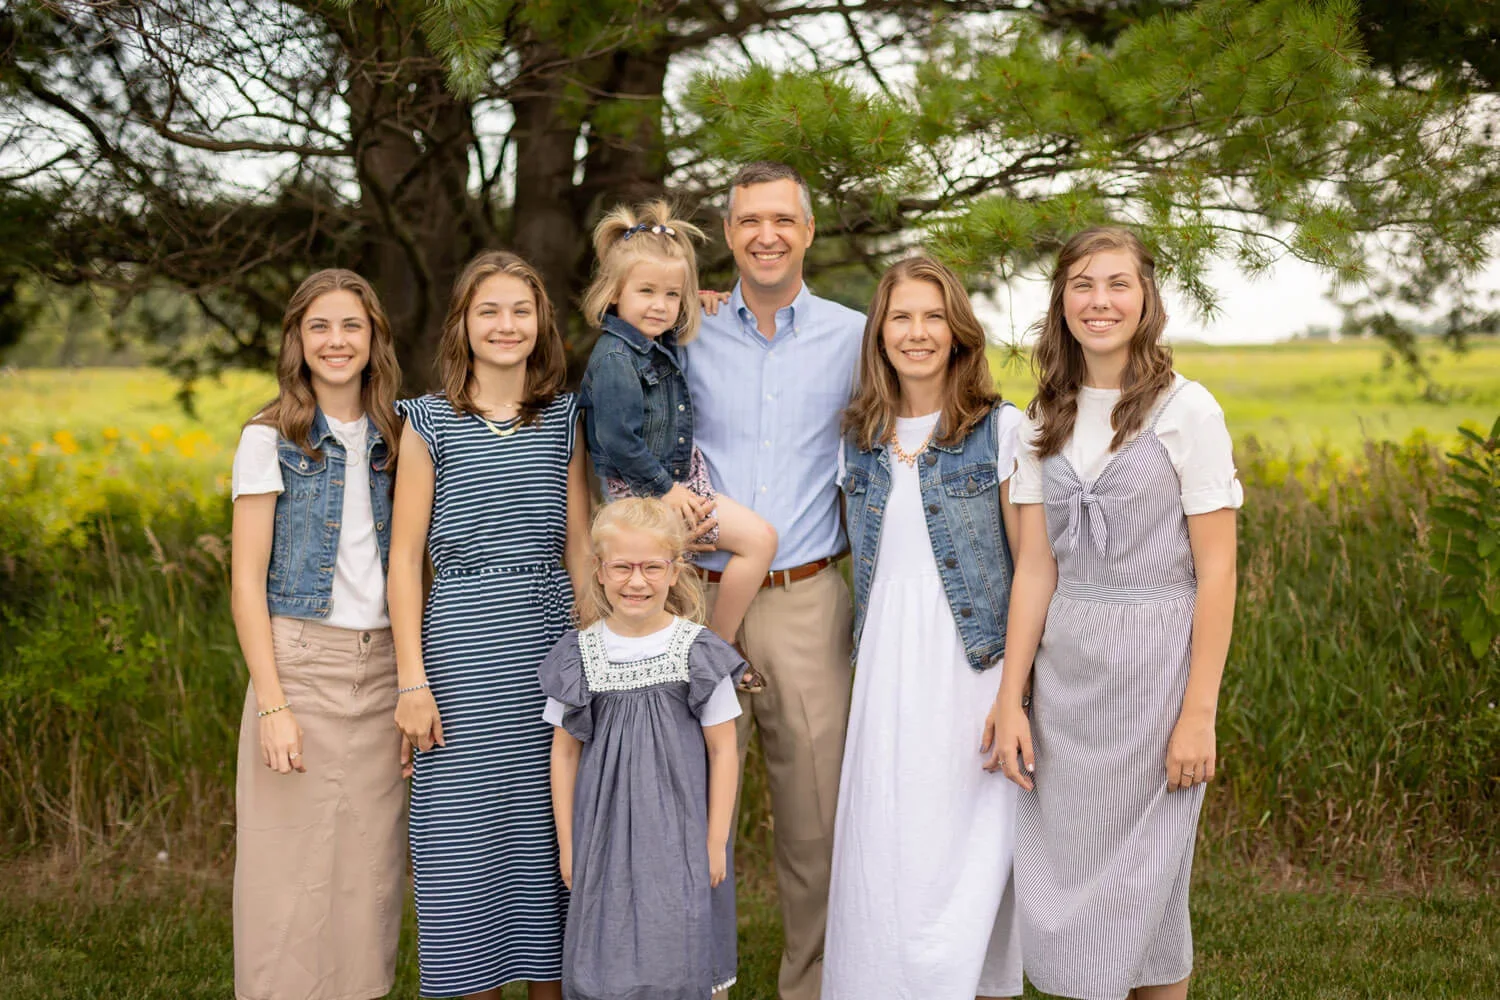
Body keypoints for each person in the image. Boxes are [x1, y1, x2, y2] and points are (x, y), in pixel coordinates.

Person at [982, 226, 1241, 1000]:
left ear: (1146, 298)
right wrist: (1011, 697)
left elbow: (1218, 571)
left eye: (1117, 284)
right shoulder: (1042, 418)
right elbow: (1035, 567)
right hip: (1068, 685)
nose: (1100, 301)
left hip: (1157, 675)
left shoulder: (1187, 410)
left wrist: (1200, 713)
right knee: (1068, 888)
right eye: (1083, 285)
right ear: (1062, 301)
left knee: (1152, 889)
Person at [387, 250, 593, 1000]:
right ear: (463, 326)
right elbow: (406, 559)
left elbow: (578, 545)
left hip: (549, 641)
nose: (506, 325)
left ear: (541, 325)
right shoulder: (428, 421)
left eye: (520, 310)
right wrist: (412, 681)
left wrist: (593, 655)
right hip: (461, 650)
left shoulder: (566, 416)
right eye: (489, 311)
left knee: (549, 834)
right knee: (463, 842)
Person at [824, 256, 1023, 1000]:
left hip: (971, 669)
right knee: (888, 844)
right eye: (901, 317)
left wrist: (1015, 692)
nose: (917, 332)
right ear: (879, 333)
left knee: (965, 857)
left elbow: (1033, 566)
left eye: (933, 316)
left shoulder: (1000, 430)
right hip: (885, 668)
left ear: (958, 332)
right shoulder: (860, 439)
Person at [689, 160, 865, 1000]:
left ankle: (815, 984)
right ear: (727, 234)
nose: (766, 235)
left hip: (805, 598)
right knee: (681, 803)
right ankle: (682, 979)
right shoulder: (681, 330)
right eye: (749, 221)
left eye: (783, 221)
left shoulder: (853, 335)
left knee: (816, 822)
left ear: (808, 231)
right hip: (692, 603)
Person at [228, 268, 406, 1000]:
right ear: (298, 341)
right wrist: (273, 704)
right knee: (285, 879)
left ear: (374, 339)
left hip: (388, 670)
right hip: (299, 666)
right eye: (320, 327)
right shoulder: (268, 438)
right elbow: (245, 584)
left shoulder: (404, 433)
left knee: (368, 879)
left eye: (351, 326)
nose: (337, 341)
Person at [539, 498, 746, 1000]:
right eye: (623, 567)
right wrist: (568, 845)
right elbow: (564, 755)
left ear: (675, 571)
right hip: (604, 832)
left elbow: (723, 751)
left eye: (652, 566)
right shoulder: (579, 654)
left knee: (683, 936)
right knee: (607, 944)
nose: (637, 581)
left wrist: (716, 841)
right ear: (599, 570)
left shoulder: (697, 650)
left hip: (681, 830)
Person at [578, 200, 777, 671]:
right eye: (646, 291)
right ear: (613, 293)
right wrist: (668, 492)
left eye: (672, 294)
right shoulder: (614, 360)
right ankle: (715, 651)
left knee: (750, 546)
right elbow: (618, 440)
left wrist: (700, 300)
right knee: (752, 543)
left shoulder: (657, 342)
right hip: (645, 496)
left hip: (677, 483)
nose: (660, 305)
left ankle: (714, 647)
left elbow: (679, 319)